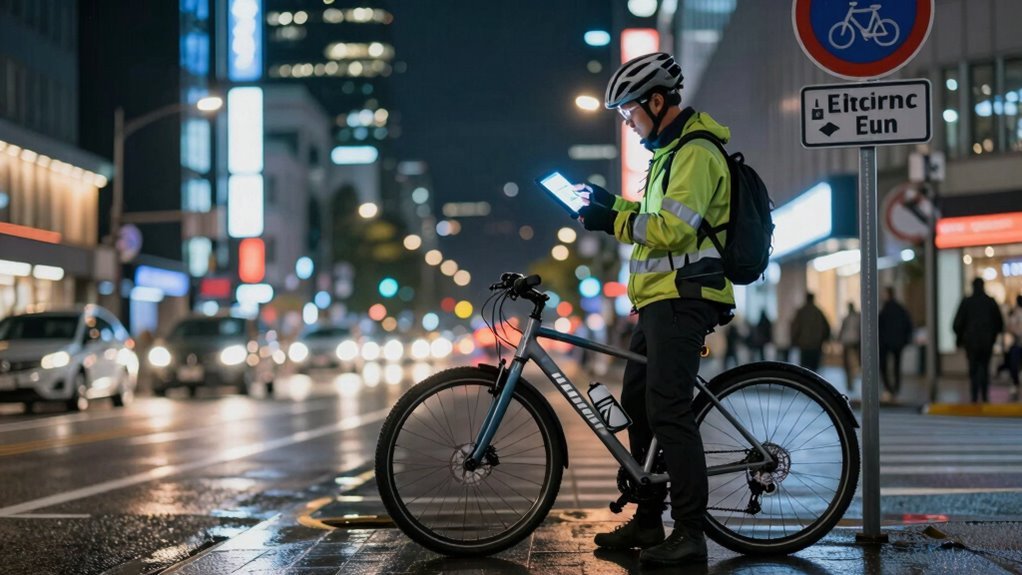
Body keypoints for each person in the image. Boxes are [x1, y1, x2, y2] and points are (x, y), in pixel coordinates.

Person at [577, 51, 734, 566]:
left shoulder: (696, 153)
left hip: (686, 297)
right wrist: (611, 204)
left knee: (669, 409)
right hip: (659, 300)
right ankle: (648, 522)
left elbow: (673, 229)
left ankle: (690, 532)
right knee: (641, 406)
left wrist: (610, 223)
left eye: (629, 111)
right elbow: (650, 216)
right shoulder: (669, 154)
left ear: (657, 100)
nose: (628, 121)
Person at [953, 278, 1004, 403]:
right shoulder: (990, 302)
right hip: (986, 342)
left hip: (972, 342)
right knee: (984, 368)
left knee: (974, 369)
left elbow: (957, 323)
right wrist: (993, 336)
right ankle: (984, 395)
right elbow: (999, 323)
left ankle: (975, 396)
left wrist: (960, 339)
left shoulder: (967, 302)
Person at [877, 287, 913, 401]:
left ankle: (889, 388)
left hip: (886, 343)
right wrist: (905, 340)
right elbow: (908, 325)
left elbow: (879, 326)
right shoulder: (900, 308)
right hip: (898, 343)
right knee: (897, 366)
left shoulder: (885, 309)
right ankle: (895, 388)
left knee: (884, 366)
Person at [791, 292, 830, 372]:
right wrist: (824, 339)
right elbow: (826, 327)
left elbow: (795, 327)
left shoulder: (801, 311)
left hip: (804, 344)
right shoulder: (818, 312)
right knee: (814, 369)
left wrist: (794, 340)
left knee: (805, 369)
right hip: (816, 344)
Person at [838, 302, 861, 392]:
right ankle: (850, 381)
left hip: (851, 342)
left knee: (849, 364)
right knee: (850, 363)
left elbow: (842, 330)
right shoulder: (853, 318)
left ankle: (850, 381)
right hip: (851, 342)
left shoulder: (849, 318)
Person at [1005, 295, 1022, 398]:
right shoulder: (1014, 313)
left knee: (1014, 365)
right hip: (1016, 343)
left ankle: (1015, 384)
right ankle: (1015, 384)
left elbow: (1009, 327)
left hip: (1016, 343)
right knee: (1014, 365)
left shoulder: (1014, 313)